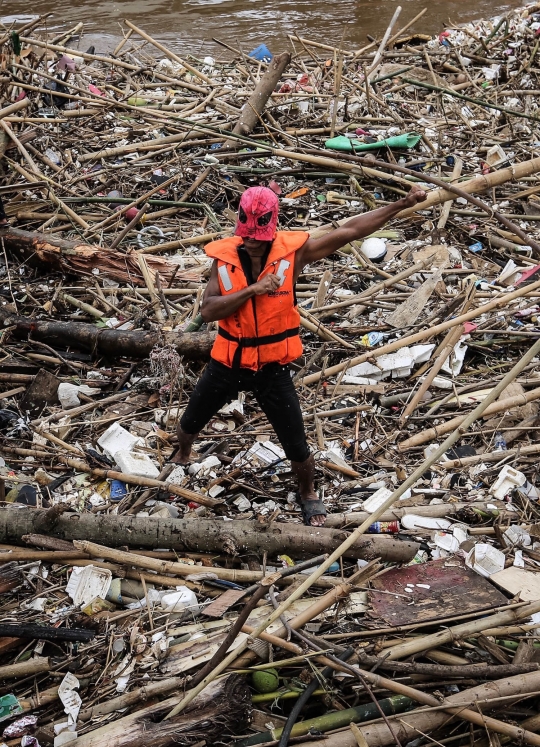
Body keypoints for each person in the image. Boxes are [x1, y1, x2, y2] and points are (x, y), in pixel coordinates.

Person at [172, 184, 427, 526]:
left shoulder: (293, 255)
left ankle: (307, 493)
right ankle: (183, 453)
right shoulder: (224, 260)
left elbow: (349, 231)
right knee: (190, 421)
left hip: (272, 367)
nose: (250, 241)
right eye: (246, 235)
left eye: (257, 237)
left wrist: (403, 202)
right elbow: (209, 310)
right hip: (228, 361)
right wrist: (253, 289)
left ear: (270, 231)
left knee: (295, 440)